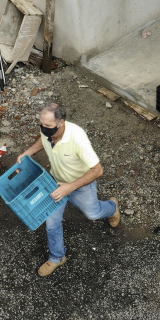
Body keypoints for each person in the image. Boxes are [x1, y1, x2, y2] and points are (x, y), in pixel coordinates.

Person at [15, 102, 120, 276]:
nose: (43, 128)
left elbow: (98, 170)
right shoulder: (47, 130)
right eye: (42, 124)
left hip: (80, 184)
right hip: (55, 183)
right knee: (51, 223)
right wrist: (28, 153)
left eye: (48, 125)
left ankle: (112, 207)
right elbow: (42, 139)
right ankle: (57, 257)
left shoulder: (77, 138)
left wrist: (70, 188)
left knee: (93, 214)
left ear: (61, 122)